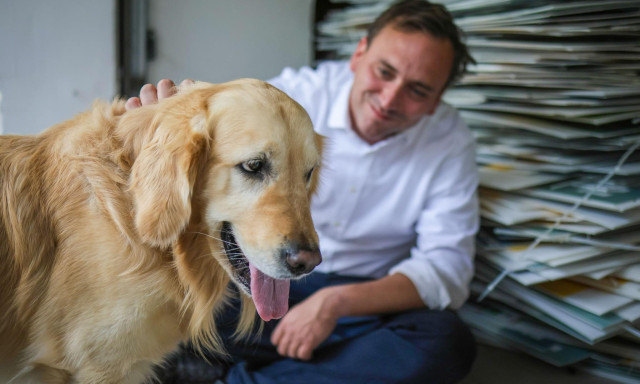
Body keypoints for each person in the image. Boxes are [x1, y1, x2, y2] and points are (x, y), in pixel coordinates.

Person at [128, 1, 479, 383]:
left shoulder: (451, 142)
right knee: (165, 296)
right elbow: (208, 145)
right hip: (253, 283)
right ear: (359, 54)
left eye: (418, 90)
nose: (390, 99)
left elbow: (447, 269)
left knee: (445, 342)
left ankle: (225, 375)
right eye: (385, 71)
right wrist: (159, 128)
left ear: (437, 100)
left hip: (362, 304)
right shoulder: (290, 97)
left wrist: (335, 303)